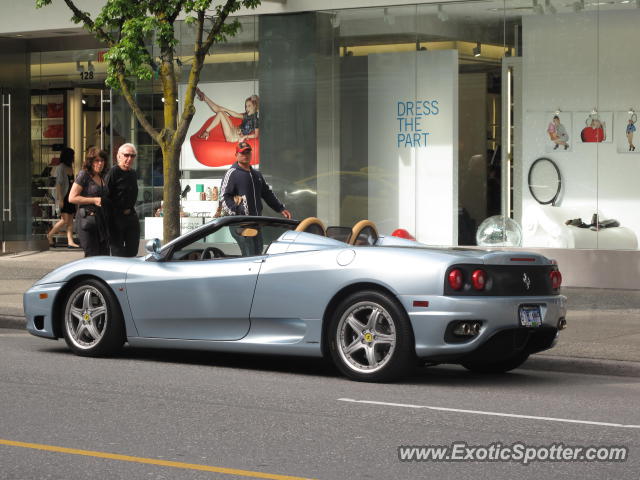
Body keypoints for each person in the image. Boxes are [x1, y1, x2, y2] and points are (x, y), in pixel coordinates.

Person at [219, 141, 291, 256]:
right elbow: (223, 197)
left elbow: (267, 193)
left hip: (256, 222)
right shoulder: (232, 173)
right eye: (242, 153)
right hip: (240, 224)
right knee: (250, 254)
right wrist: (238, 211)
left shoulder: (257, 175)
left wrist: (280, 208)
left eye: (248, 152)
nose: (245, 155)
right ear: (236, 155)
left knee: (257, 252)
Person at [68, 148, 110, 257]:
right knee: (92, 256)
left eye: (102, 160)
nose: (100, 163)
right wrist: (94, 200)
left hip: (101, 221)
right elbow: (72, 198)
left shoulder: (102, 176)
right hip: (88, 220)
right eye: (97, 160)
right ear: (90, 162)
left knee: (104, 256)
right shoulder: (84, 175)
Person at [105, 143, 140, 257]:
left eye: (132, 156)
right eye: (126, 155)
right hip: (116, 217)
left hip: (131, 216)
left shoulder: (133, 173)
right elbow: (105, 196)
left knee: (132, 250)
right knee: (118, 253)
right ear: (119, 156)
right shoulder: (113, 172)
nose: (129, 158)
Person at [47, 147, 80, 248]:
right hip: (64, 196)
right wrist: (60, 199)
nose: (73, 157)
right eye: (72, 155)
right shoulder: (60, 167)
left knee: (70, 220)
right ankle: (49, 235)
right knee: (65, 219)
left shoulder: (70, 167)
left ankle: (70, 241)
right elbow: (58, 184)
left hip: (71, 196)